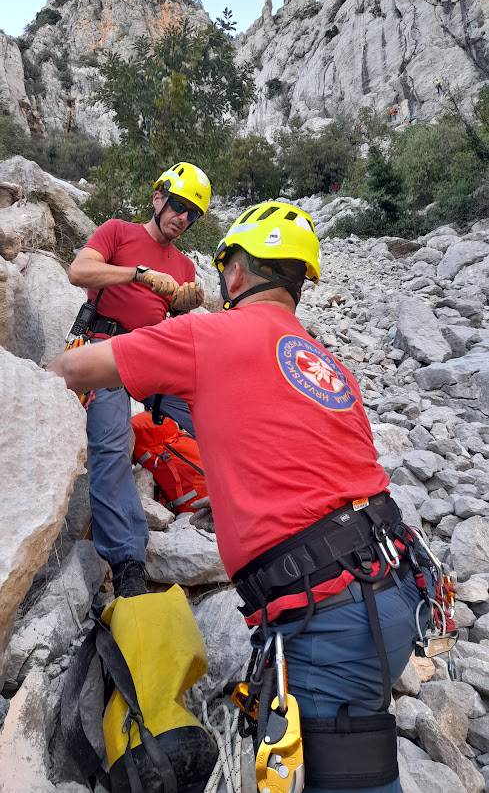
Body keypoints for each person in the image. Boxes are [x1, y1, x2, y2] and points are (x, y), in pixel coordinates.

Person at [49, 200, 434, 792]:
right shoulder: (326, 363)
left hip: (325, 606)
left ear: (236, 272)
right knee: (355, 752)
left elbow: (79, 370)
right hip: (396, 581)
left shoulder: (210, 333)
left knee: (342, 777)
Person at [67, 161, 211, 598]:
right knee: (111, 443)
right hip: (104, 350)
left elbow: (175, 319)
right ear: (158, 197)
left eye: (192, 214)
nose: (183, 217)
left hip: (152, 354)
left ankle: (216, 497)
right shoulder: (117, 232)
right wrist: (137, 274)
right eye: (179, 205)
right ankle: (128, 560)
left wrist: (187, 303)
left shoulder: (184, 265)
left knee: (209, 411)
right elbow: (79, 271)